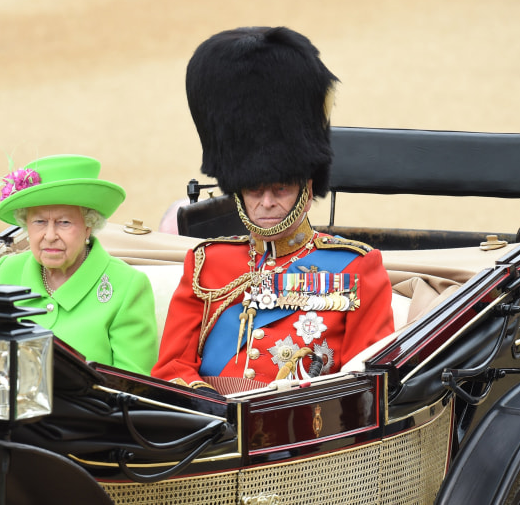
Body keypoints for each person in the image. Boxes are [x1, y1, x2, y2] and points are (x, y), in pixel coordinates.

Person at [152, 27, 394, 393]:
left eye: (281, 188)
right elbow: (172, 367)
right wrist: (206, 402)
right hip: (214, 427)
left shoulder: (356, 267)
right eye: (254, 189)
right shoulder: (206, 263)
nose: (266, 202)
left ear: (307, 187)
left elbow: (366, 382)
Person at [0, 154, 158, 375]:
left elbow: (132, 389)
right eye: (39, 221)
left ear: (89, 225)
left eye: (64, 222)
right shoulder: (5, 272)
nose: (49, 235)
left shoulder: (127, 285)